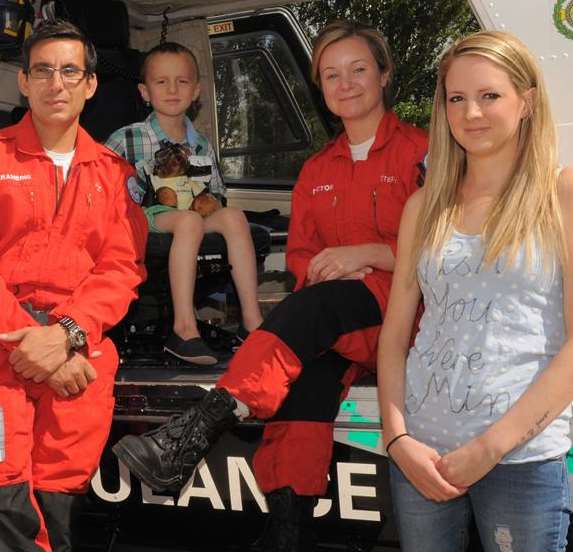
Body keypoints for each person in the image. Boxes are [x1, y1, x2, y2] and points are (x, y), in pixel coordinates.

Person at [112, 21, 427, 550]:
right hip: (341, 325)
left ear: (384, 75)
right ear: (320, 88)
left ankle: (209, 419)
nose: (345, 83)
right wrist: (331, 271)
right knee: (305, 384)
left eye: (358, 70)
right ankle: (288, 529)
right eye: (331, 75)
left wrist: (371, 256)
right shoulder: (316, 170)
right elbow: (302, 258)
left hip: (405, 317)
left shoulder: (423, 151)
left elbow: (447, 248)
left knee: (313, 313)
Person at [0, 20, 147, 552]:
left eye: (70, 71)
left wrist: (68, 334)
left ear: (90, 85)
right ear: (25, 83)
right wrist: (41, 341)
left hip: (78, 366)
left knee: (61, 519)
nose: (57, 83)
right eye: (43, 71)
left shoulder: (112, 173)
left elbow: (120, 268)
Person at [378, 30, 573, 551]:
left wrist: (491, 447)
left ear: (526, 101)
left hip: (521, 460)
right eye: (457, 99)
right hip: (422, 455)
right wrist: (397, 439)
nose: (471, 114)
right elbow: (396, 335)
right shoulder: (423, 207)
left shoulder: (562, 194)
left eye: (489, 96)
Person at [105, 42, 263, 366]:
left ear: (196, 90)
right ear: (145, 92)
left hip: (190, 213)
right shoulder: (127, 138)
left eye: (182, 81)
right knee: (187, 222)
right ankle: (184, 328)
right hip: (144, 215)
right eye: (161, 82)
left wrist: (212, 206)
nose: (173, 89)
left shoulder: (201, 143)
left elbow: (215, 193)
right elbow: (103, 193)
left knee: (233, 216)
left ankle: (253, 323)